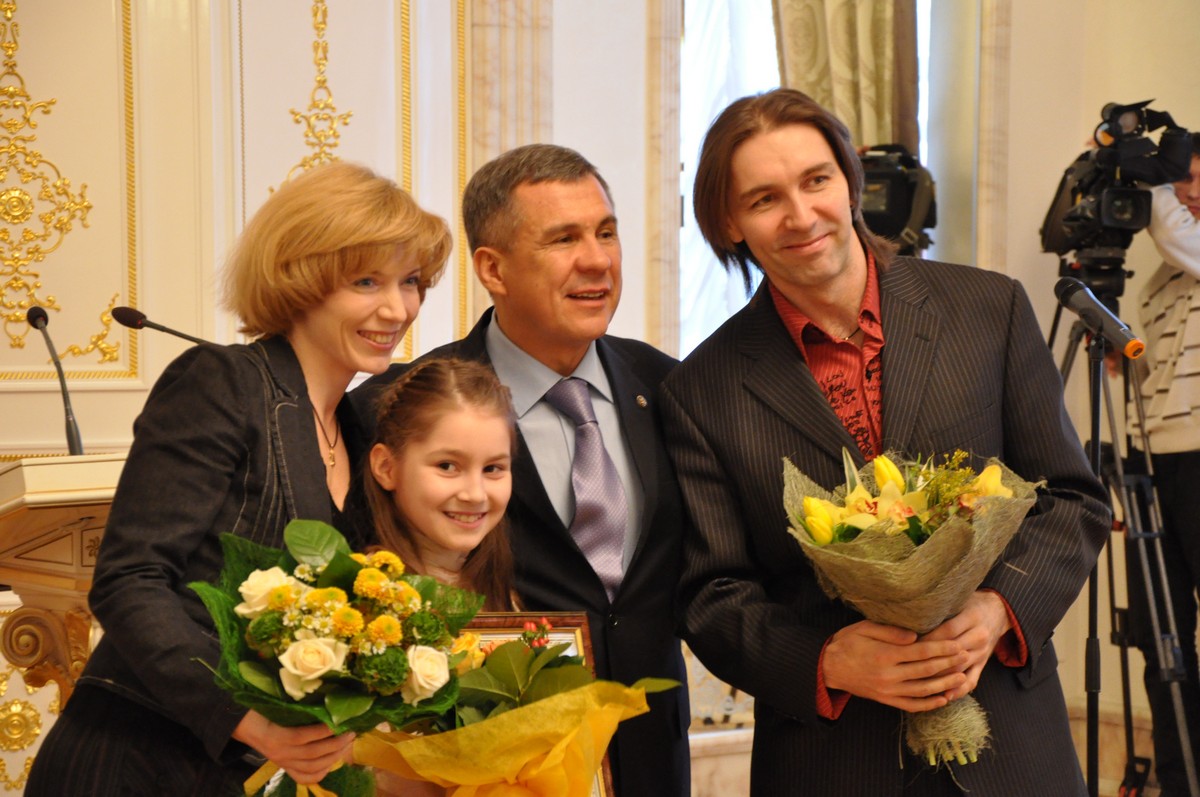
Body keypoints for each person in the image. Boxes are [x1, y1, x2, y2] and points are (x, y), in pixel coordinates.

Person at [659, 87, 1112, 795]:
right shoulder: (698, 389)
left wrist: (998, 611)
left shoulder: (988, 308)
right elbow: (711, 595)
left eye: (816, 180)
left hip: (1013, 745)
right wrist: (826, 660)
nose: (801, 215)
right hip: (832, 760)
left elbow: (1072, 498)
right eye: (764, 199)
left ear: (850, 182)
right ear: (728, 222)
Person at [26, 161, 452, 796]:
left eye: (411, 281)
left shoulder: (362, 428)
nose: (398, 308)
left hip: (248, 774)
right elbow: (129, 580)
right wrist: (251, 724)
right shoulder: (221, 383)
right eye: (366, 281)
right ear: (303, 279)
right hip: (134, 762)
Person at [354, 143, 691, 797]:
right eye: (563, 239)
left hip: (655, 760)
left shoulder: (670, 387)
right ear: (493, 268)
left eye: (606, 233)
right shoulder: (390, 409)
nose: (597, 260)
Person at [1128, 134, 1200, 796]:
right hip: (1151, 465)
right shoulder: (1163, 278)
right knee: (1161, 636)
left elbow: (1176, 233)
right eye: (1183, 180)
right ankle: (1180, 781)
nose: (1190, 192)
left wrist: (1145, 172)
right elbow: (1151, 376)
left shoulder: (1187, 248)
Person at [366, 357, 517, 611]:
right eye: (447, 466)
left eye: (492, 469)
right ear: (386, 467)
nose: (475, 494)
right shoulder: (365, 602)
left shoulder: (501, 595)